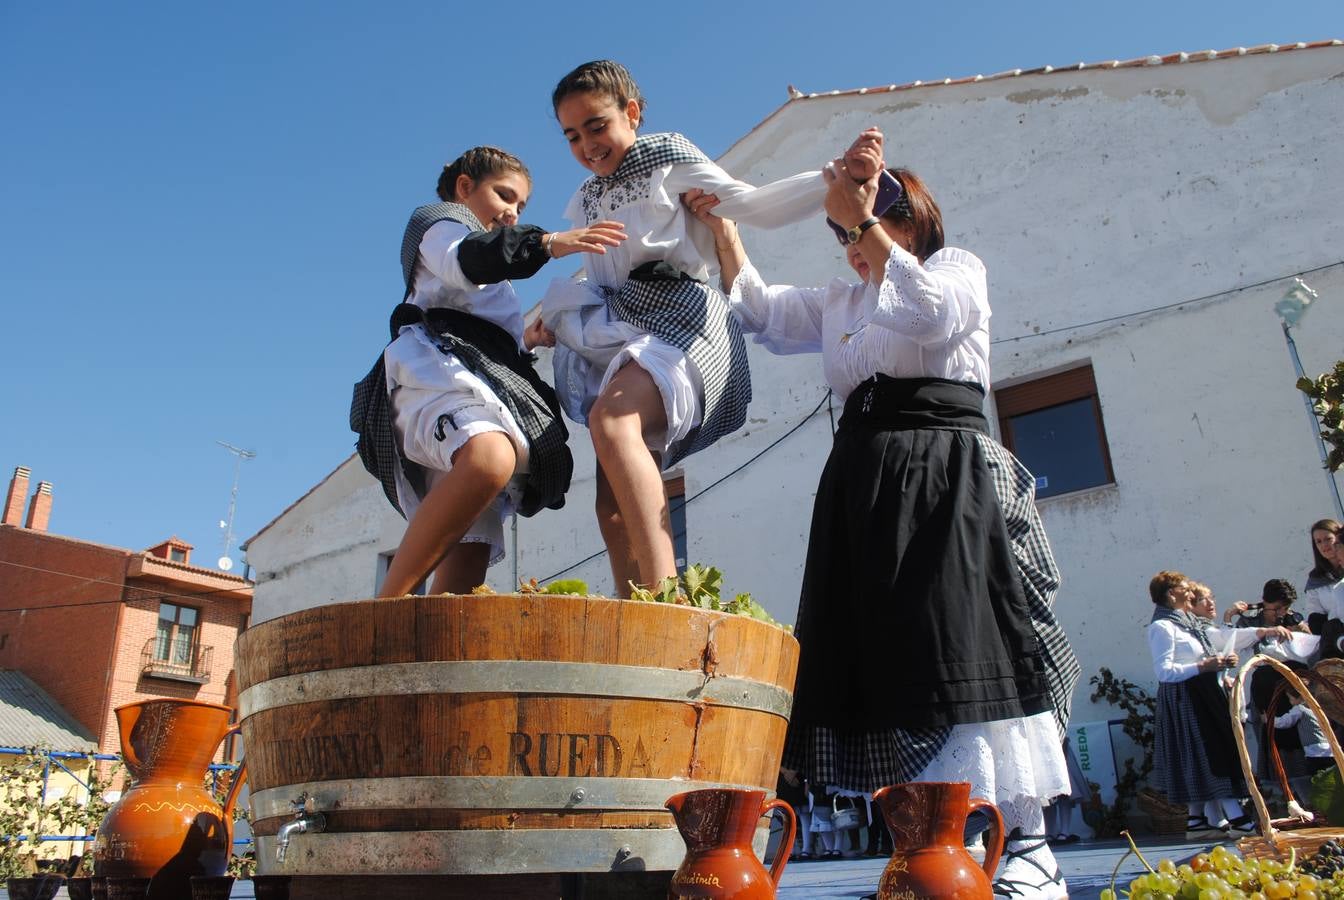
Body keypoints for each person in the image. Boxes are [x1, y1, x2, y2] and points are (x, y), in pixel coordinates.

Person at [689, 131, 1078, 900]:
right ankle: (927, 850)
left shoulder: (954, 269)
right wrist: (726, 232)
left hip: (945, 480)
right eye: (839, 232)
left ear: (912, 219)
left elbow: (932, 317)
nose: (852, 244)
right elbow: (763, 314)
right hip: (866, 493)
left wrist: (867, 218)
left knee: (962, 641)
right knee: (889, 658)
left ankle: (1020, 845)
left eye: (866, 224)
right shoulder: (843, 301)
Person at [542, 59, 829, 594]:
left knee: (612, 421)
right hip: (624, 326)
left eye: (597, 125)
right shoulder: (586, 198)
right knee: (609, 503)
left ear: (631, 112)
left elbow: (750, 204)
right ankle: (634, 612)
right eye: (572, 136)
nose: (587, 144)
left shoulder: (669, 154)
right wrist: (550, 321)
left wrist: (832, 180)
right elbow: (599, 272)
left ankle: (663, 598)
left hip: (683, 315)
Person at [368, 146, 626, 597]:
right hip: (435, 378)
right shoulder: (440, 223)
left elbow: (487, 332)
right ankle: (387, 609)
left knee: (469, 558)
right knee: (490, 458)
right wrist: (547, 242)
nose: (512, 213)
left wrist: (528, 338)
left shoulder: (494, 273)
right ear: (465, 187)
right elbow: (466, 260)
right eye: (505, 196)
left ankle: (430, 657)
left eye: (521, 207)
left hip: (474, 385)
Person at [1147, 570, 1291, 837]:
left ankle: (1198, 821)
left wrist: (1259, 635)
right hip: (1186, 700)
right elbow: (1164, 672)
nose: (1190, 592)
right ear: (1170, 594)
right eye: (1184, 588)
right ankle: (1236, 818)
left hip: (1203, 695)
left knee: (1212, 755)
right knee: (1210, 756)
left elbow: (1222, 640)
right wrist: (1205, 666)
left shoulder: (1186, 623)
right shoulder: (1162, 627)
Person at [1303, 520, 1344, 637]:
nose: (1324, 545)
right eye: (1318, 542)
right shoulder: (1316, 579)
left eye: (1328, 539)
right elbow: (1316, 622)